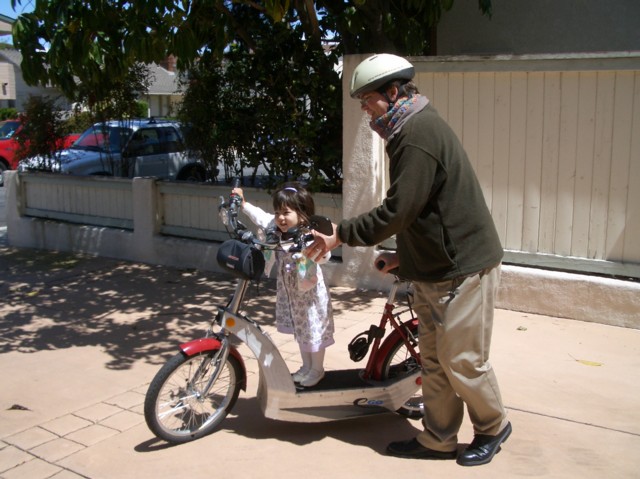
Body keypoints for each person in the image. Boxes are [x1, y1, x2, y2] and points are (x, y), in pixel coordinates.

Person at [305, 53, 511, 466]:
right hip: (437, 266)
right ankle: (438, 439)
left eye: (367, 99)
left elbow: (399, 210)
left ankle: (492, 426)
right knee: (434, 362)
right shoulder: (405, 130)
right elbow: (426, 211)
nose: (364, 109)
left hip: (464, 266)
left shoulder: (417, 134)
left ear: (393, 92)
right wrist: (405, 255)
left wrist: (340, 235)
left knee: (462, 360)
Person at [233, 182, 335, 387]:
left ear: (303, 214)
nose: (280, 218)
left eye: (286, 213)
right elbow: (261, 217)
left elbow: (325, 255)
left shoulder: (308, 236)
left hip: (310, 296)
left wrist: (318, 251)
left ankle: (317, 369)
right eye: (278, 212)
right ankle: (306, 367)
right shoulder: (276, 230)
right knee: (300, 330)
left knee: (313, 330)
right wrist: (243, 204)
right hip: (291, 294)